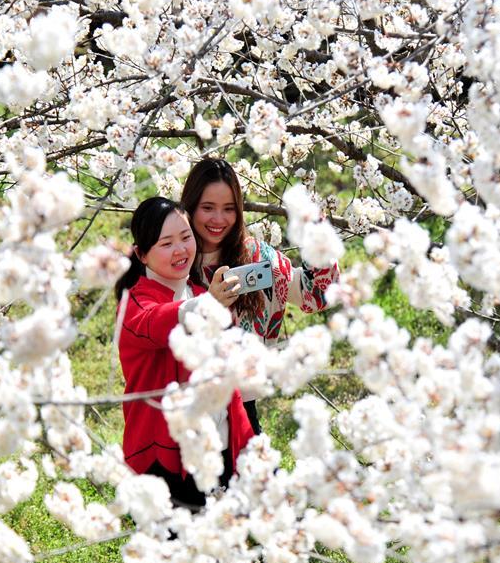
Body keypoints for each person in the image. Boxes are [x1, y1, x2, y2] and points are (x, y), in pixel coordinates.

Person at [180, 158, 341, 434]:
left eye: (229, 209)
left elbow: (314, 294)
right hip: (183, 409)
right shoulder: (173, 256)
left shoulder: (256, 257)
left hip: (241, 409)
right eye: (208, 208)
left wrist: (316, 235)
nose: (218, 219)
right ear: (191, 206)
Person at [114, 196, 255, 510]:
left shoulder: (203, 294)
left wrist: (247, 443)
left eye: (186, 237)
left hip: (216, 446)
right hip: (163, 460)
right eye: (166, 243)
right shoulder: (135, 303)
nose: (180, 251)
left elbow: (227, 386)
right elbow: (156, 322)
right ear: (142, 254)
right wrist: (208, 307)